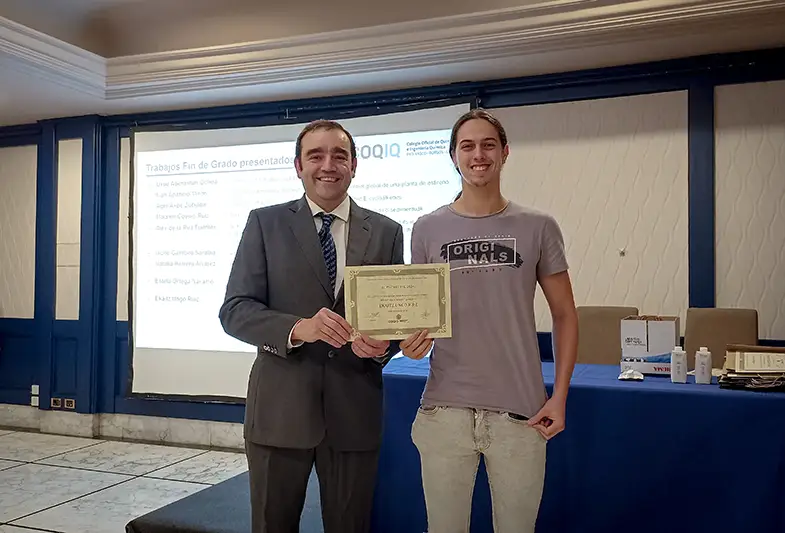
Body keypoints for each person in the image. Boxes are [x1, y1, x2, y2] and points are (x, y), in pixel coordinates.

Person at [219, 119, 405, 533]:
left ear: (354, 165)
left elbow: (393, 319)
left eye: (339, 156)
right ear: (298, 166)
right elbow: (234, 310)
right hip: (280, 413)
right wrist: (298, 327)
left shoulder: (388, 232)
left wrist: (384, 345)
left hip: (354, 411)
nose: (328, 165)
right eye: (315, 155)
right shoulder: (264, 224)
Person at [399, 108, 579, 532]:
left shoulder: (538, 226)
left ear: (504, 153)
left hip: (520, 415)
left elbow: (566, 315)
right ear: (453, 156)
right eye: (467, 146)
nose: (477, 154)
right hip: (445, 411)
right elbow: (420, 318)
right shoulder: (427, 228)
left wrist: (561, 396)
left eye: (487, 144)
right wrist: (409, 342)